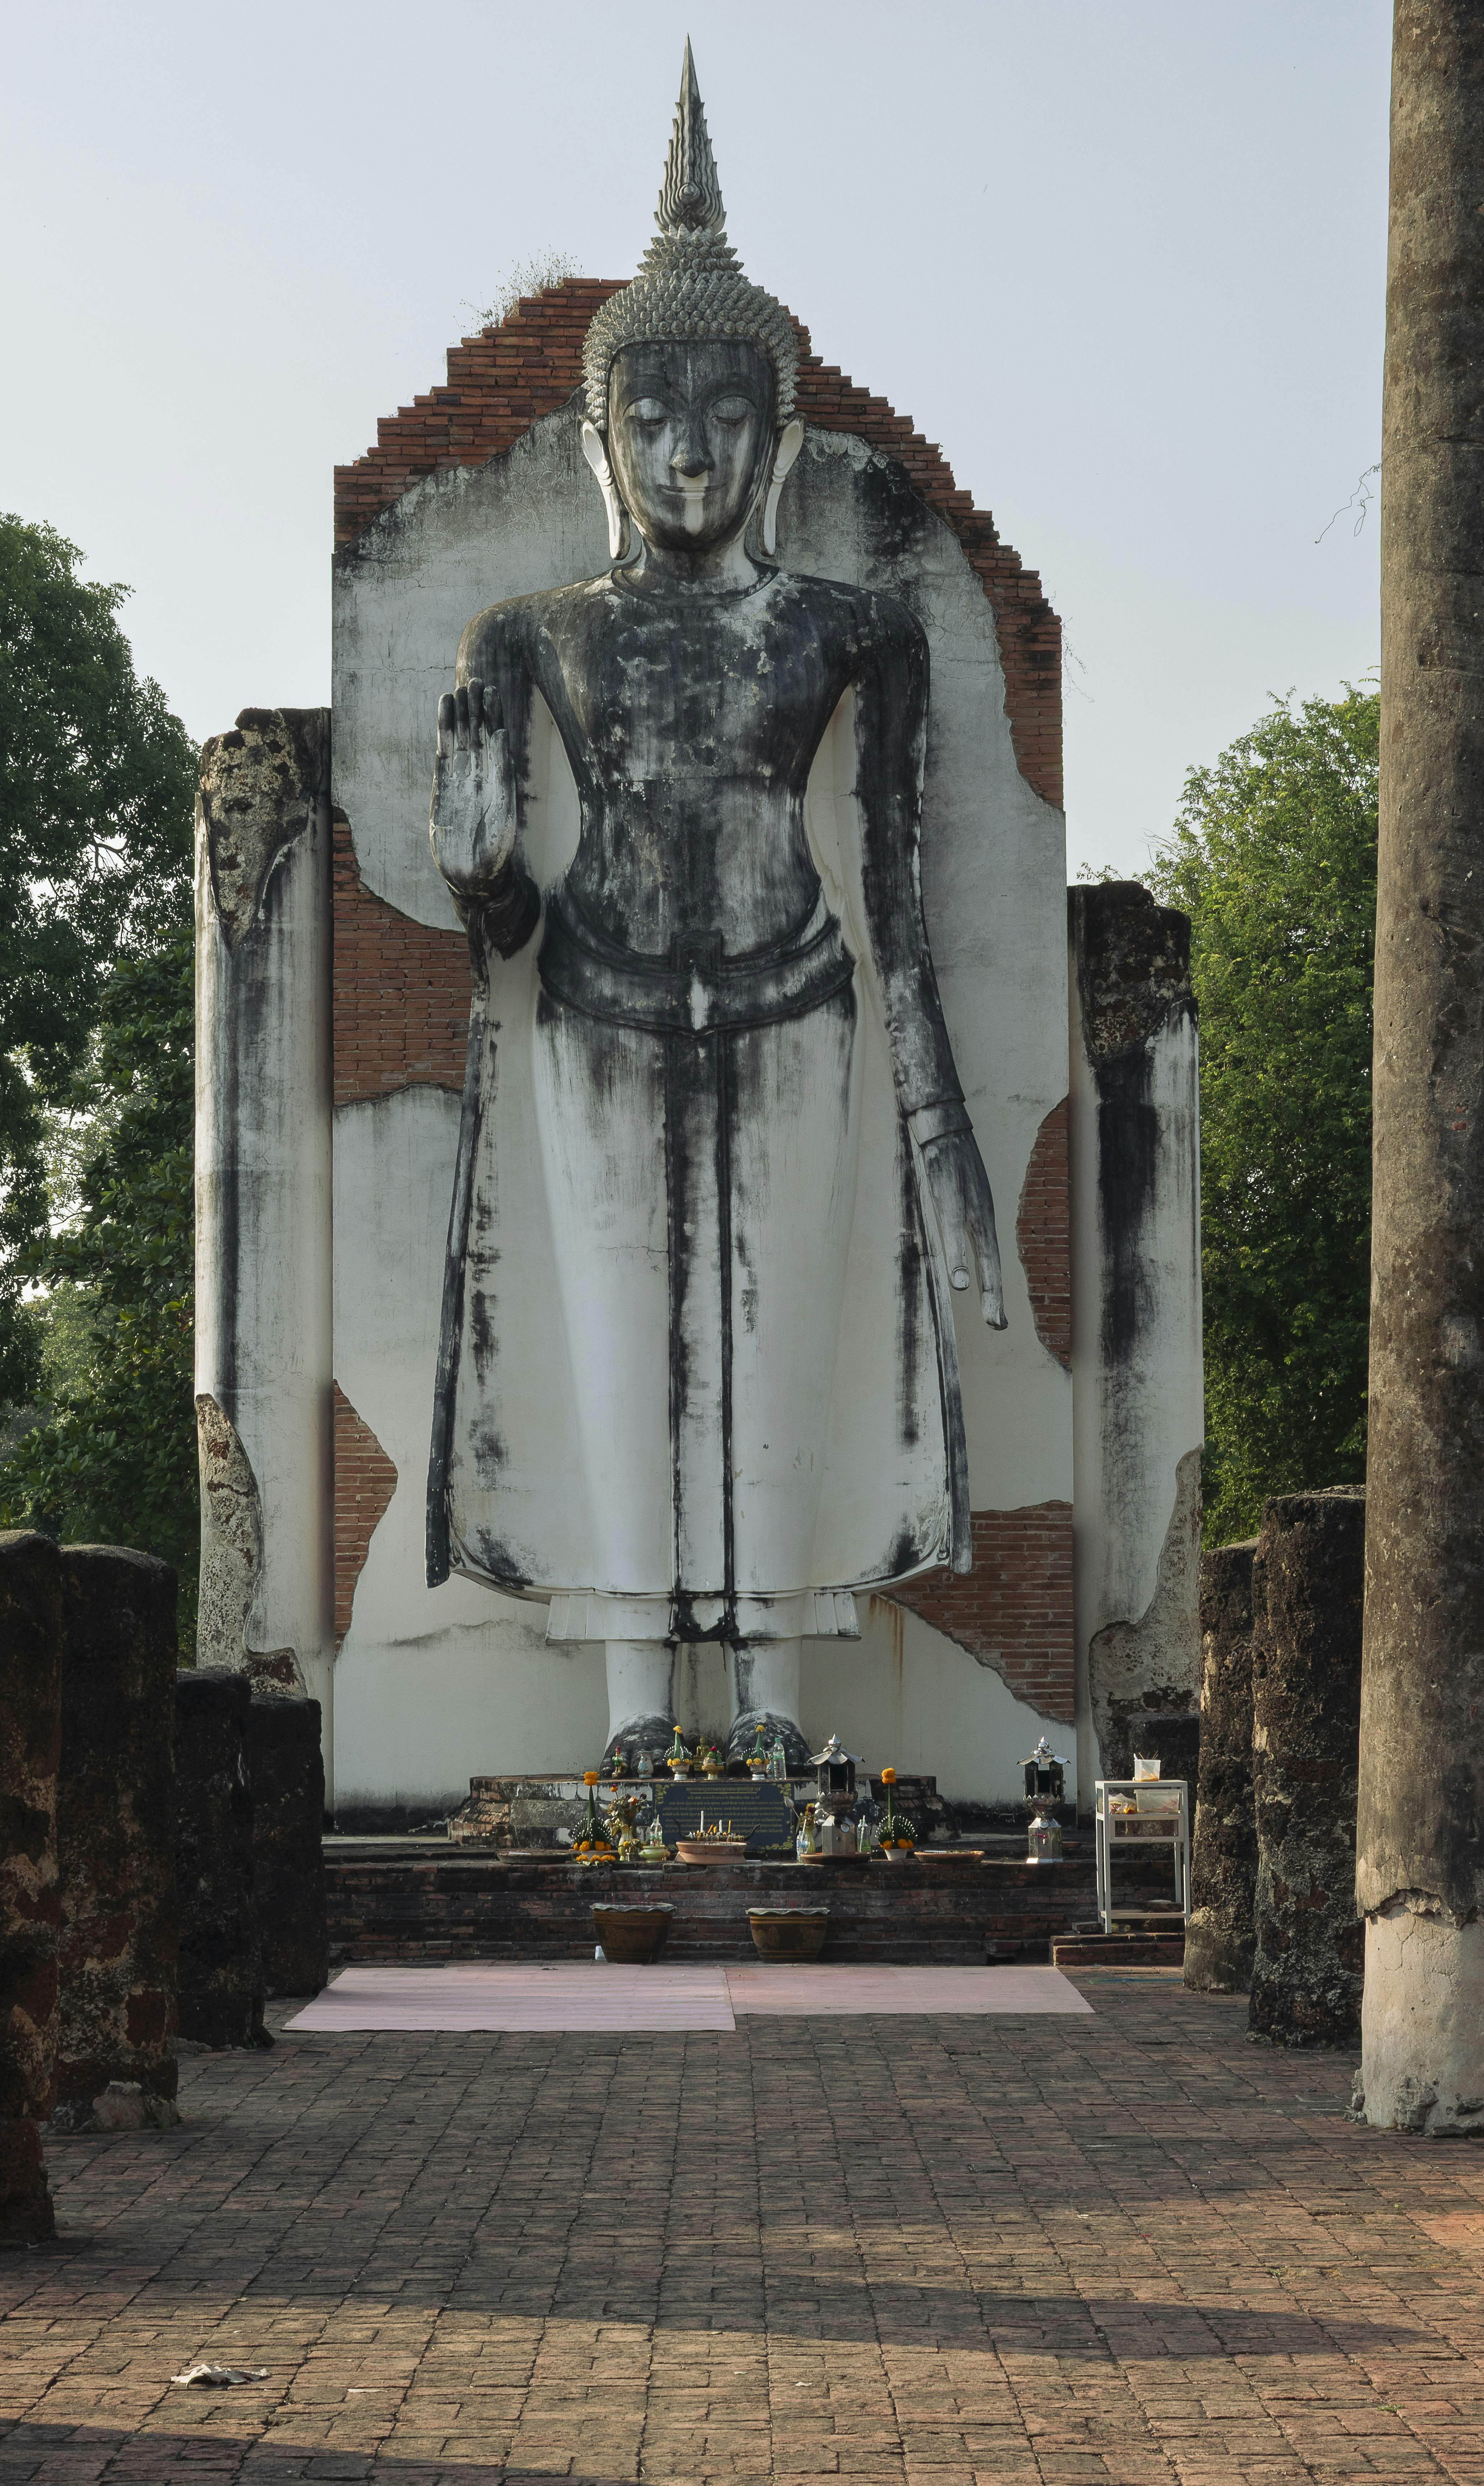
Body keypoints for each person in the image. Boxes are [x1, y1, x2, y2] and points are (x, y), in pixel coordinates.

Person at [425, 48, 1004, 1769]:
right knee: (607, 1360)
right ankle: (623, 1731)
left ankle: (768, 1724)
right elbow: (505, 937)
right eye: (652, 414)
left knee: (777, 1376)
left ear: (780, 431)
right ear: (603, 435)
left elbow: (891, 891)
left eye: (723, 413)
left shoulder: (847, 627)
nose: (688, 449)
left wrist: (942, 1130)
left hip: (802, 1004)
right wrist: (482, 875)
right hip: (593, 1004)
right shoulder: (525, 633)